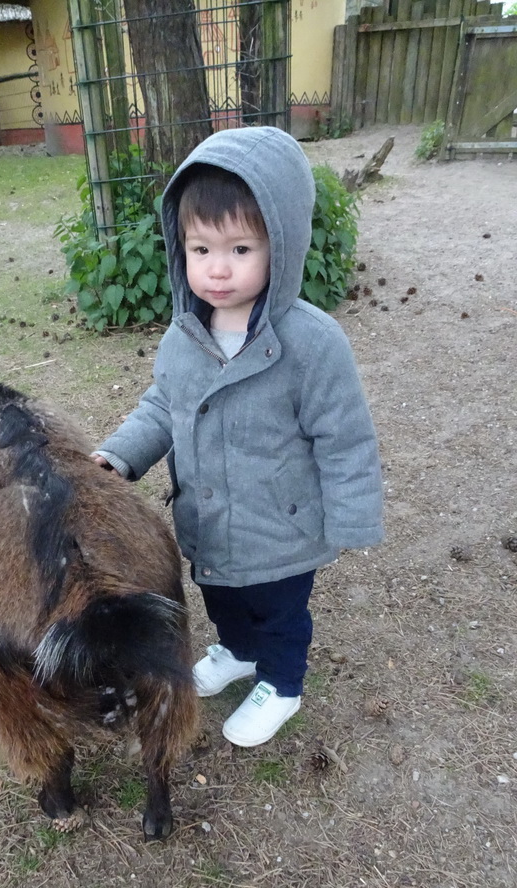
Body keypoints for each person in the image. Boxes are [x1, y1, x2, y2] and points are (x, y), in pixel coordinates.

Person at [93, 127, 384, 747]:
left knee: (280, 613)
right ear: (181, 248)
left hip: (284, 529)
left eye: (241, 248)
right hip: (209, 522)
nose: (217, 269)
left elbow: (345, 437)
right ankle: (238, 651)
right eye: (200, 249)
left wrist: (353, 517)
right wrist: (118, 457)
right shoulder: (183, 336)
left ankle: (281, 682)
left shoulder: (312, 343)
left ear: (282, 243)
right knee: (222, 598)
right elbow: (162, 407)